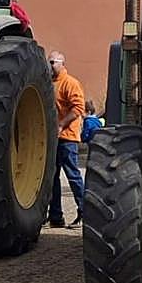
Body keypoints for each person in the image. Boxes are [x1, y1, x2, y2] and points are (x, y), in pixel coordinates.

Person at [47, 51, 86, 228]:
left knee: (73, 175)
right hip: (54, 138)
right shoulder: (49, 84)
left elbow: (78, 108)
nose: (50, 65)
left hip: (68, 138)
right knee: (52, 177)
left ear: (62, 63)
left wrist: (61, 124)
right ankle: (55, 216)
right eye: (49, 62)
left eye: (52, 62)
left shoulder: (70, 83)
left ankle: (85, 212)